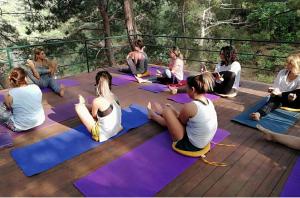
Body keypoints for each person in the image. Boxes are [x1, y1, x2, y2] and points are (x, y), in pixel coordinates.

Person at [147, 72, 218, 151]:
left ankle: (153, 115)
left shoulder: (191, 106)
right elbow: (185, 119)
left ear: (193, 89)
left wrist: (166, 112)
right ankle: (159, 113)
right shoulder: (208, 101)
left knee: (166, 110)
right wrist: (173, 110)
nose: (186, 90)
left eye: (187, 88)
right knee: (170, 111)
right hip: (202, 141)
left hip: (190, 145)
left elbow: (180, 122)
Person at [75, 71, 123, 142]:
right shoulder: (114, 96)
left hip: (103, 134)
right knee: (92, 106)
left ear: (97, 85)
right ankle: (83, 103)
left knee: (78, 107)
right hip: (117, 128)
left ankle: (82, 103)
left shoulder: (97, 101)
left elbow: (94, 117)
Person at [250, 53, 300, 121]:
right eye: (287, 62)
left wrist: (289, 96)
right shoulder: (282, 72)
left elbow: (296, 94)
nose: (286, 65)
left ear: (295, 65)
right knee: (275, 99)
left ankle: (259, 113)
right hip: (279, 97)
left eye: (289, 63)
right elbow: (276, 87)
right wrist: (273, 90)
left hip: (292, 102)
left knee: (276, 100)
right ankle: (258, 114)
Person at [0, 67, 45, 132]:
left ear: (12, 80)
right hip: (40, 120)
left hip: (19, 127)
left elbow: (8, 107)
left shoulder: (11, 93)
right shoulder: (36, 87)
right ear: (25, 78)